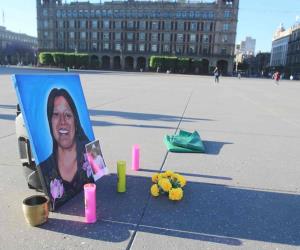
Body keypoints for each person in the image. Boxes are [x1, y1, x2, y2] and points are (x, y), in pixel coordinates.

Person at [40, 88, 93, 210]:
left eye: (68, 115)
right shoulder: (45, 168)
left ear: (76, 121)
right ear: (50, 122)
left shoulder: (92, 153)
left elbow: (101, 177)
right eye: (56, 115)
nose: (62, 121)